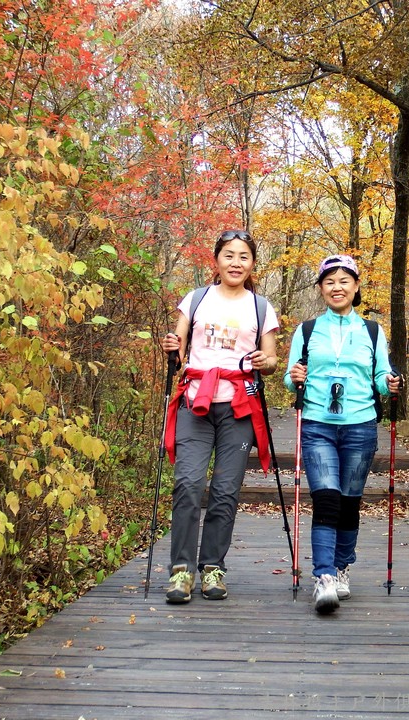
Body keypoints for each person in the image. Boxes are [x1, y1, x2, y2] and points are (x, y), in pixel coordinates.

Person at [159, 229, 279, 604]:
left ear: (252, 264)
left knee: (226, 491)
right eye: (229, 255)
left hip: (238, 407)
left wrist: (266, 362)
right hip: (195, 403)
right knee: (189, 484)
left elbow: (272, 360)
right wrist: (170, 347)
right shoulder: (195, 300)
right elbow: (176, 349)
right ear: (216, 260)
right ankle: (181, 572)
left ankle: (213, 567)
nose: (236, 262)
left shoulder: (261, 307)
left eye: (243, 256)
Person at [284, 254, 400, 614]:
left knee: (350, 503)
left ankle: (342, 566)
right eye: (329, 281)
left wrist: (390, 383)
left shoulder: (372, 331)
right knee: (327, 499)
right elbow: (290, 376)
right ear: (320, 288)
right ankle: (324, 577)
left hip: (360, 424)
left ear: (356, 287)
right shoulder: (306, 330)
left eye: (344, 280)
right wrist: (295, 378)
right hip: (318, 423)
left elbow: (381, 376)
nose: (337, 287)